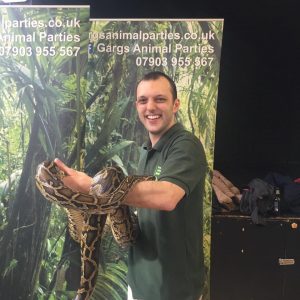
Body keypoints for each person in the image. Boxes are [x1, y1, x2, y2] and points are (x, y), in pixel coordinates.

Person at [54, 71, 207, 300]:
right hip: (138, 283)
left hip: (171, 289)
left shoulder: (185, 146)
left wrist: (91, 186)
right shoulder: (147, 152)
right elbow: (138, 207)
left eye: (160, 99)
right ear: (136, 105)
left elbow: (167, 197)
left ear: (175, 104)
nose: (150, 107)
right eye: (143, 100)